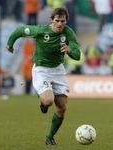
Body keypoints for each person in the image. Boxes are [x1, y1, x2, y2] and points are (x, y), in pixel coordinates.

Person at [6, 8, 81, 145]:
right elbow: (20, 30)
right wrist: (10, 44)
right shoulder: (41, 31)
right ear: (52, 20)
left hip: (58, 70)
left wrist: (70, 50)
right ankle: (42, 100)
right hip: (42, 70)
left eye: (62, 21)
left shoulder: (69, 32)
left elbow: (77, 54)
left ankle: (50, 137)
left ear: (66, 21)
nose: (59, 24)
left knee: (62, 108)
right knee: (48, 101)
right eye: (57, 21)